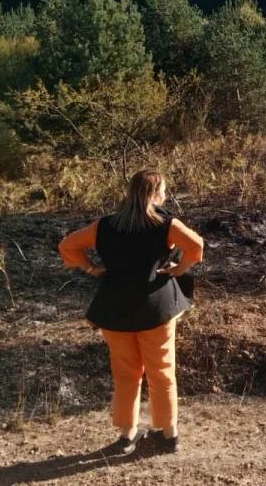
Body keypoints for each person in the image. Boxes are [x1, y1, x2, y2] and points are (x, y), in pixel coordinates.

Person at [58, 170, 204, 457]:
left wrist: (91, 268)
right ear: (153, 194)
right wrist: (180, 269)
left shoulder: (105, 225)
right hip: (156, 310)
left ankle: (127, 437)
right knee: (162, 372)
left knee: (126, 375)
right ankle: (168, 435)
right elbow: (196, 246)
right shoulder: (166, 224)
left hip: (115, 310)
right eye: (162, 190)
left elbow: (67, 246)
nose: (165, 195)